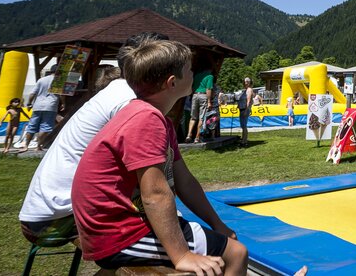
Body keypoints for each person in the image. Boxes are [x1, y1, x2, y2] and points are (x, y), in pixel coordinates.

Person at [71, 38, 249, 274]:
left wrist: (217, 224)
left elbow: (185, 181)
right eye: (189, 70)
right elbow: (154, 194)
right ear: (172, 82)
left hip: (115, 223)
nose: (194, 73)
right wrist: (182, 255)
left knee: (220, 249)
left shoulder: (154, 118)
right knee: (236, 254)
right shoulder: (147, 119)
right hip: (115, 231)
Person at [18, 33, 165, 248]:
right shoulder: (129, 102)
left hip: (43, 212)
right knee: (176, 242)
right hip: (56, 219)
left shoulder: (116, 91)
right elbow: (153, 188)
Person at [19, 65, 61, 152]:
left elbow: (32, 93)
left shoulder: (41, 80)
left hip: (38, 105)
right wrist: (63, 103)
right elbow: (61, 95)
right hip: (51, 105)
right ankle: (38, 145)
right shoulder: (58, 81)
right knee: (46, 127)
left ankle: (26, 145)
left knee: (32, 126)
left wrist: (29, 103)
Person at [185, 59, 214, 144]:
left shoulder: (197, 75)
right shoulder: (209, 76)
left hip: (195, 95)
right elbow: (209, 89)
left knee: (193, 117)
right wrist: (209, 101)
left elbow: (193, 87)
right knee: (201, 118)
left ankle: (188, 135)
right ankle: (197, 138)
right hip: (203, 96)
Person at [238, 77, 254, 147]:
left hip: (245, 109)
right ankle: (243, 140)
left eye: (247, 81)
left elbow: (248, 100)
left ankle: (245, 141)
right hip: (242, 108)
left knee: (244, 125)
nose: (246, 83)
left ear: (250, 82)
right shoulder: (245, 90)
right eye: (245, 81)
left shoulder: (249, 90)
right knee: (243, 125)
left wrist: (246, 109)